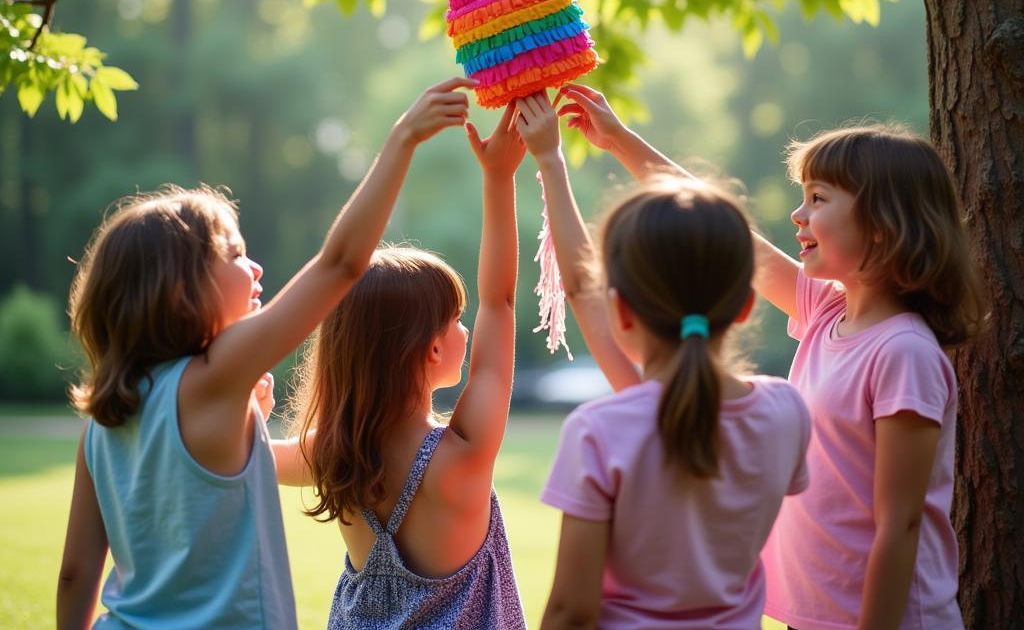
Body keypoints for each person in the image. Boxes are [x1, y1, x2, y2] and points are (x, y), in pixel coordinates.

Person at [551, 83, 988, 630]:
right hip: (815, 618)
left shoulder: (904, 352)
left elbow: (898, 525)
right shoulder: (828, 312)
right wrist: (619, 142)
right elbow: (731, 234)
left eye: (819, 199)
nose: (798, 215)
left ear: (883, 224)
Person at [56, 77, 477, 630]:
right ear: (182, 291)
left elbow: (75, 574)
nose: (254, 268)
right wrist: (402, 139)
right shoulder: (212, 380)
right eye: (234, 252)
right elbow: (340, 266)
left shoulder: (106, 422)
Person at [513, 92, 811, 630]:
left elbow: (570, 611)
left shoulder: (602, 430)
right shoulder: (787, 412)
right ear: (745, 305)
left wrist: (550, 160)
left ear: (620, 312)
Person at [272, 101, 528, 630]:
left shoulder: (330, 453)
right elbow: (499, 300)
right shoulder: (461, 459)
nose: (466, 329)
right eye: (457, 320)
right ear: (431, 350)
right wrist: (499, 177)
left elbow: (242, 453)